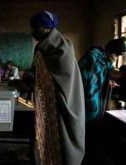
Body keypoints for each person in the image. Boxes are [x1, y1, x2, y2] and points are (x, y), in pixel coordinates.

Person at [30, 11, 85, 165]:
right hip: (64, 101)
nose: (32, 31)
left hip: (59, 104)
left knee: (60, 141)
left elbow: (44, 79)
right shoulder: (64, 44)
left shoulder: (47, 50)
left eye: (35, 27)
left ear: (43, 28)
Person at [79, 37, 126, 125]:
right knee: (84, 119)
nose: (116, 58)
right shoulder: (93, 57)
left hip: (95, 97)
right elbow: (81, 76)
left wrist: (107, 82)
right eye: (116, 55)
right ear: (111, 51)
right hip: (86, 95)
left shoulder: (106, 60)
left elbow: (102, 74)